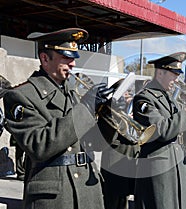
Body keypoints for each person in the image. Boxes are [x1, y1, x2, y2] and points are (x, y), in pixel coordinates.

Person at [3, 28, 114, 209]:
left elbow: (95, 144)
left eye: (73, 58)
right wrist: (86, 109)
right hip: (55, 196)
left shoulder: (73, 93)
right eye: (65, 57)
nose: (72, 64)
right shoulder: (21, 96)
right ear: (45, 59)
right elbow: (39, 146)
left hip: (87, 190)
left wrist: (107, 114)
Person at [132, 52, 186, 209]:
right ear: (160, 72)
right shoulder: (144, 98)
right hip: (158, 168)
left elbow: (183, 132)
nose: (177, 79)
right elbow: (160, 131)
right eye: (174, 74)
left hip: (176, 163)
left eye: (178, 74)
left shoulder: (171, 99)